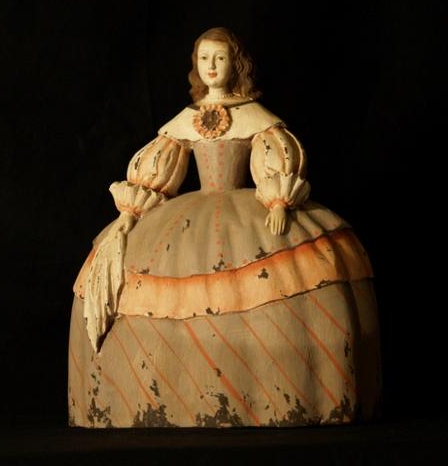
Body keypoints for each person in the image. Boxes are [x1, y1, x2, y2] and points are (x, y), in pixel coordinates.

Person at [68, 27, 382, 428]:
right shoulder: (186, 119)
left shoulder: (252, 114)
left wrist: (278, 200)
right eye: (204, 59)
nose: (211, 66)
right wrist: (131, 212)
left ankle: (274, 395)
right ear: (195, 65)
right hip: (188, 215)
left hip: (246, 207)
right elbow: (160, 166)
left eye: (220, 58)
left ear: (236, 64)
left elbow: (275, 154)